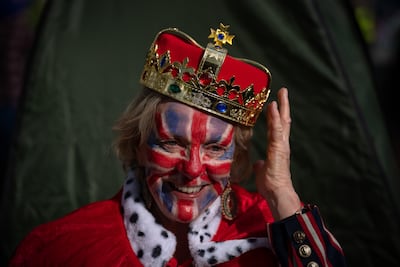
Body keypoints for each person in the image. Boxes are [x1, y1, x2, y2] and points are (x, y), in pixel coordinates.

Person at [9, 23, 346, 267]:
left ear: (236, 157)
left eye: (215, 148)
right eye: (172, 143)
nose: (193, 169)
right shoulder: (65, 247)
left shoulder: (269, 230)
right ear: (139, 145)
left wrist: (282, 194)